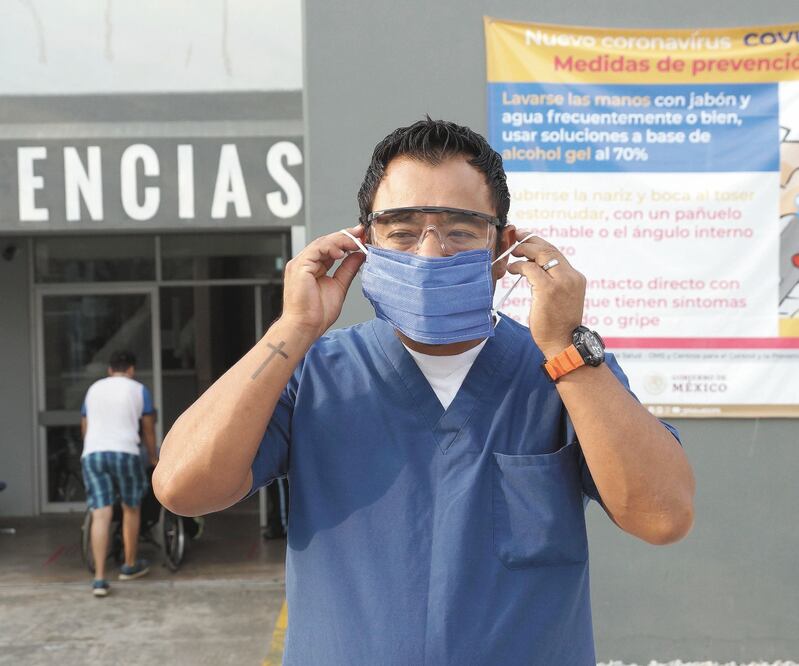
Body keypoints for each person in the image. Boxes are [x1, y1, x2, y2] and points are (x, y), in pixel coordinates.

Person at [154, 118, 695, 664]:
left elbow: (663, 516)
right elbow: (183, 487)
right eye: (403, 229)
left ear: (506, 247)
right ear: (363, 242)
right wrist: (291, 330)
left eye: (461, 229)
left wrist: (565, 346)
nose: (431, 253)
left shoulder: (564, 371)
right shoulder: (312, 372)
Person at [81, 350, 158, 597]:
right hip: (125, 451)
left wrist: (92, 447)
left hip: (93, 453)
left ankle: (100, 578)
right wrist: (153, 457)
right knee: (130, 507)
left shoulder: (93, 389)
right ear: (132, 369)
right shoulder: (138, 389)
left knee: (100, 513)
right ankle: (129, 564)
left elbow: (85, 426)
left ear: (109, 370)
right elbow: (147, 428)